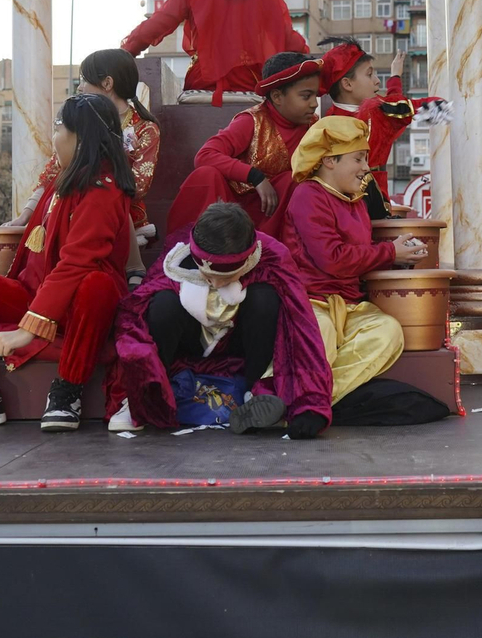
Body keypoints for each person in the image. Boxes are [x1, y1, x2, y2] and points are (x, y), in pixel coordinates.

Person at [0, 93, 134, 432]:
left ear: (80, 137)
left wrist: (26, 329)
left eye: (60, 127)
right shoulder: (62, 183)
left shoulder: (103, 190)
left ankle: (67, 391)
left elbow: (76, 263)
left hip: (78, 308)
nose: (54, 135)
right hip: (38, 298)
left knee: (97, 285)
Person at [108, 202, 335, 438]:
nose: (215, 284)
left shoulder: (273, 256)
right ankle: (143, 401)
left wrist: (311, 404)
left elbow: (302, 327)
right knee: (162, 304)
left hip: (240, 345)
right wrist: (134, 384)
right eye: (208, 276)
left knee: (265, 299)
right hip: (189, 345)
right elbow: (132, 323)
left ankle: (255, 394)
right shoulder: (178, 254)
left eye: (224, 277)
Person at [283, 117, 425, 402]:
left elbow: (361, 254)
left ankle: (307, 401)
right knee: (319, 333)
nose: (365, 168)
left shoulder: (355, 200)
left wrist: (400, 256)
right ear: (329, 161)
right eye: (359, 158)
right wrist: (390, 252)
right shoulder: (308, 195)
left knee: (388, 332)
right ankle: (306, 402)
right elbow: (333, 260)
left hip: (351, 306)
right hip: (312, 302)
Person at [121, 0, 310, 106]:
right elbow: (292, 43)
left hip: (203, 80)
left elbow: (153, 28)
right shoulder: (266, 0)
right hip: (251, 83)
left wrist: (124, 53)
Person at [20, 48, 162, 282]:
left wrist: (115, 159)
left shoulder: (145, 129)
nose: (79, 87)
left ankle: (133, 268)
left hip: (115, 210)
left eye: (84, 80)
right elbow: (54, 170)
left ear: (107, 83)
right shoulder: (83, 121)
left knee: (108, 187)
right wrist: (26, 215)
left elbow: (138, 186)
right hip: (76, 206)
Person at [163, 51, 321, 239]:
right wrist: (256, 177)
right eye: (306, 96)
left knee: (293, 181)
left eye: (315, 96)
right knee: (206, 174)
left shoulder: (314, 127)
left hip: (272, 214)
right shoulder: (251, 121)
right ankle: (194, 247)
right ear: (277, 97)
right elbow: (205, 155)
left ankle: (275, 252)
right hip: (232, 211)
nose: (314, 104)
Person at [318, 41, 439, 220]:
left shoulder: (372, 110)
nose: (376, 80)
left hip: (376, 196)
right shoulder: (329, 123)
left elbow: (398, 106)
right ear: (347, 84)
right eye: (369, 74)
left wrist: (396, 78)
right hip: (341, 202)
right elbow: (399, 106)